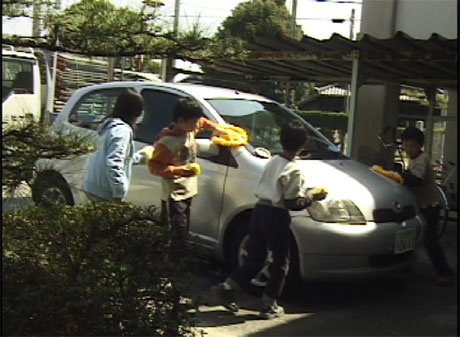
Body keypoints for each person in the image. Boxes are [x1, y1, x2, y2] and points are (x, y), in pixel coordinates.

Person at [211, 120, 327, 320]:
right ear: (304, 146)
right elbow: (292, 203)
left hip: (259, 210)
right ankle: (269, 303)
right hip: (276, 215)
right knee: (281, 261)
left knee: (256, 257)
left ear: (281, 141)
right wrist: (312, 198)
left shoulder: (272, 161)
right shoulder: (295, 169)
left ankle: (227, 287)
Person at [148, 97, 226, 242]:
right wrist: (181, 171)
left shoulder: (189, 128)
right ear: (181, 120)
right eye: (194, 122)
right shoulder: (166, 142)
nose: (197, 125)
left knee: (183, 229)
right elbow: (154, 166)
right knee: (176, 233)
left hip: (188, 191)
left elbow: (203, 122)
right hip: (174, 195)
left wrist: (217, 128)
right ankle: (172, 261)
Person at [400, 126, 454, 286]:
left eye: (412, 145)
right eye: (405, 145)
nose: (408, 148)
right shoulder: (414, 158)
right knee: (412, 235)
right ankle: (407, 265)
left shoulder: (422, 158)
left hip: (430, 205)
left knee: (430, 241)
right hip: (420, 205)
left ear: (420, 145)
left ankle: (444, 273)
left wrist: (399, 177)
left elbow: (417, 179)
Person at [83, 88, 150, 203]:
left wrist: (142, 158)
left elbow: (119, 157)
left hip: (92, 185)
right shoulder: (122, 131)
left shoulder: (108, 124)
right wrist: (119, 192)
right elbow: (114, 162)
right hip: (104, 192)